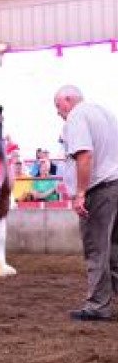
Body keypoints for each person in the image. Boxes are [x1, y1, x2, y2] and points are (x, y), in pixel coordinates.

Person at [54, 84, 118, 322]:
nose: (58, 112)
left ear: (69, 100)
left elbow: (85, 155)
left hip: (100, 190)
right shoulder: (106, 113)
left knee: (96, 249)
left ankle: (98, 306)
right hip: (116, 184)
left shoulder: (77, 117)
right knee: (114, 249)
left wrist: (80, 193)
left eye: (58, 106)